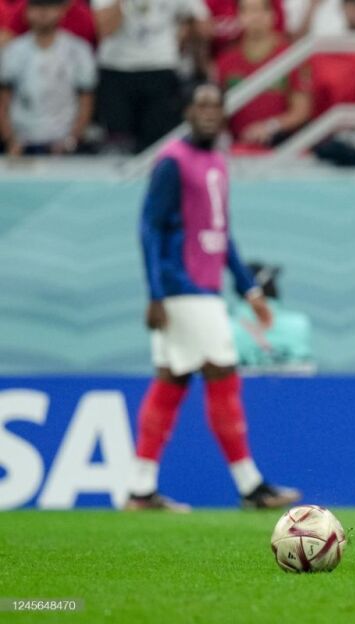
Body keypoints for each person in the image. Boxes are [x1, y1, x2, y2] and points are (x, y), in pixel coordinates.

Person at [127, 84, 301, 511]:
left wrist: (249, 288)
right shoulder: (172, 161)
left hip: (203, 289)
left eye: (215, 105)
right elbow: (149, 229)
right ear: (187, 111)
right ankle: (250, 485)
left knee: (172, 380)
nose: (208, 111)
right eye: (200, 104)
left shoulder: (218, 162)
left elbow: (223, 235)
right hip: (183, 287)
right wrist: (155, 292)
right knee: (222, 373)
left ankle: (140, 489)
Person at [92, 0, 212, 153]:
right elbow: (105, 29)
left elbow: (204, 26)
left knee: (158, 146)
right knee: (117, 146)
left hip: (160, 69)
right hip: (116, 69)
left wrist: (186, 37)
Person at [0, 0, 96, 156]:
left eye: (49, 7)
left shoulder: (79, 50)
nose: (43, 13)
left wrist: (72, 140)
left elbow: (86, 101)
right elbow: (3, 101)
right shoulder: (13, 51)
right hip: (22, 142)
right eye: (37, 7)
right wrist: (10, 139)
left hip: (64, 143)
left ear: (61, 12)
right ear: (26, 13)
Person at [214, 0, 311, 149]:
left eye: (261, 10)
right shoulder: (225, 61)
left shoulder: (292, 57)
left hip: (283, 147)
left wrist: (270, 126)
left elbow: (302, 110)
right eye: (248, 10)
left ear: (273, 15)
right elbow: (218, 112)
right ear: (238, 16)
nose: (255, 16)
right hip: (237, 148)